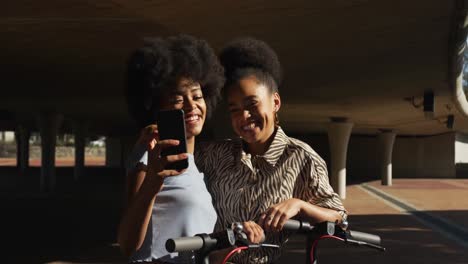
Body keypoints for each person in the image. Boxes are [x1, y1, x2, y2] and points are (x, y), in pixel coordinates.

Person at [195, 37, 347, 263]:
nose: (243, 117)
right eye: (234, 109)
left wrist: (299, 205)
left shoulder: (301, 158)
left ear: (275, 102)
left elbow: (339, 219)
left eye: (251, 104)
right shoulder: (213, 154)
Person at [117, 35, 224, 263]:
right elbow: (127, 245)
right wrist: (152, 183)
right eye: (177, 99)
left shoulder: (192, 165)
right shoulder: (149, 156)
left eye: (197, 96)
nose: (191, 106)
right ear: (157, 106)